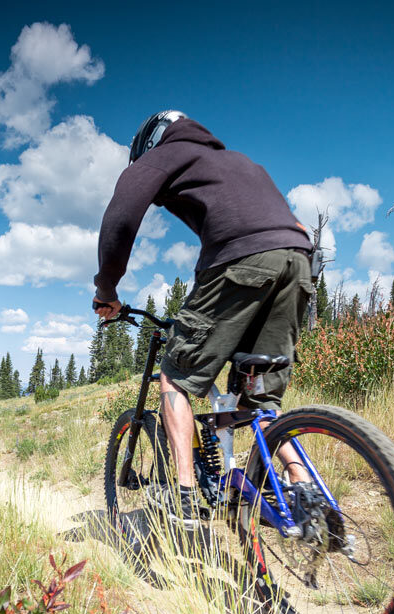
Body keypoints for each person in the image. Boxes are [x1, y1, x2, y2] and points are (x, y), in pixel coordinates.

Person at [93, 111, 319, 530]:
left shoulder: (162, 157)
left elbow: (121, 216)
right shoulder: (242, 163)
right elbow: (296, 225)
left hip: (241, 262)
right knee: (257, 395)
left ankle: (183, 496)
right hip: (297, 260)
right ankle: (304, 488)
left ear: (148, 144)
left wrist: (106, 291)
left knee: (175, 378)